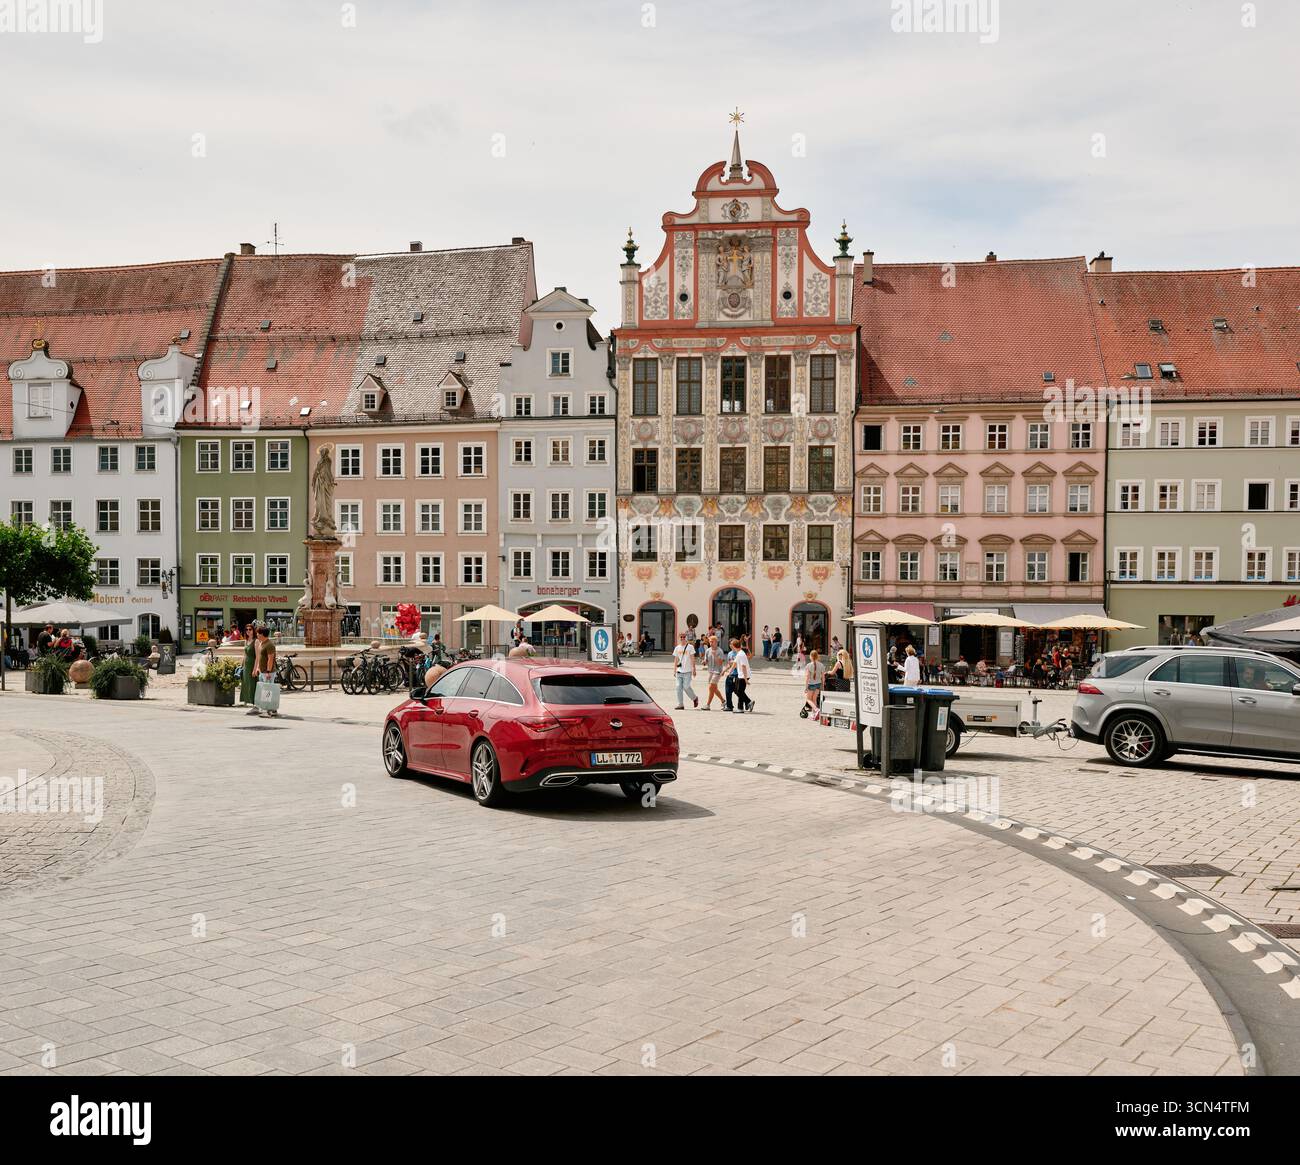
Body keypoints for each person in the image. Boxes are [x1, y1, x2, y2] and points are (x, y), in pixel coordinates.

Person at [252, 625, 278, 717]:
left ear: (262, 634)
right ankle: (270, 709)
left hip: (268, 672)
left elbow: (270, 659)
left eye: (258, 633)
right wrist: (258, 668)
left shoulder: (269, 644)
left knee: (268, 691)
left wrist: (268, 672)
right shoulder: (262, 643)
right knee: (265, 691)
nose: (257, 635)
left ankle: (268, 710)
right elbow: (260, 657)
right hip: (263, 672)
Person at [671, 631, 699, 710]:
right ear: (679, 638)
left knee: (686, 687)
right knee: (678, 687)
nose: (682, 638)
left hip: (688, 671)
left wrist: (694, 669)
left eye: (684, 637)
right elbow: (676, 659)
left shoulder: (690, 647)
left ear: (686, 638)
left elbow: (693, 658)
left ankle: (694, 698)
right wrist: (674, 670)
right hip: (679, 671)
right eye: (681, 637)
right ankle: (680, 704)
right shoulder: (677, 648)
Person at [703, 635, 726, 710]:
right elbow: (706, 661)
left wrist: (715, 655)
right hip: (710, 671)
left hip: (717, 672)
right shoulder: (708, 650)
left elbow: (720, 663)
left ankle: (708, 705)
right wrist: (704, 662)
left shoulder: (720, 651)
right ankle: (723, 701)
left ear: (716, 642)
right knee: (714, 688)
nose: (711, 643)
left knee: (711, 687)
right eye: (710, 642)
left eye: (712, 642)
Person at [801, 649, 826, 719]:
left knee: (808, 699)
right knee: (814, 699)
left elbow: (807, 677)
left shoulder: (808, 665)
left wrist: (806, 687)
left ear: (811, 656)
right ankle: (814, 715)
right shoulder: (821, 665)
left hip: (811, 684)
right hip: (818, 684)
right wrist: (823, 686)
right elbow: (823, 677)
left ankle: (816, 709)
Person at [731, 637, 754, 713]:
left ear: (734, 646)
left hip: (744, 675)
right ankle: (743, 706)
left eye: (731, 645)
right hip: (740, 675)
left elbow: (743, 667)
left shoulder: (741, 654)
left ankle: (747, 703)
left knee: (739, 691)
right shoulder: (739, 654)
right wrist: (729, 672)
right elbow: (734, 664)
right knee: (737, 690)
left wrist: (745, 679)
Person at [240, 622, 259, 713]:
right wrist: (241, 665)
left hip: (252, 664)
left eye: (250, 629)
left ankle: (256, 705)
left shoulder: (256, 641)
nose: (248, 631)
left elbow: (257, 657)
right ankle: (249, 701)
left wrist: (255, 669)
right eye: (246, 630)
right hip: (246, 665)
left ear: (253, 630)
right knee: (246, 683)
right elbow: (244, 654)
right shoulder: (246, 640)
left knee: (253, 684)